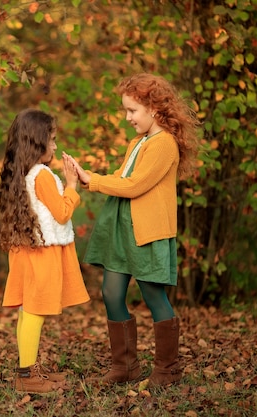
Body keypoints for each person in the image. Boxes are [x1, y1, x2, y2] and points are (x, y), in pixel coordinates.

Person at [63, 73, 200, 388]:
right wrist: (88, 174)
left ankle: (168, 370)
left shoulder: (164, 143)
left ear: (153, 108)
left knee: (153, 295)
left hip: (147, 232)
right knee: (111, 294)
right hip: (122, 231)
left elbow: (136, 185)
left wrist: (91, 180)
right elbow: (123, 176)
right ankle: (125, 368)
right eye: (125, 111)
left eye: (132, 111)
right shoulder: (138, 143)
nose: (127, 118)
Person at [0, 108, 90, 394]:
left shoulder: (20, 172)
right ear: (37, 142)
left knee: (28, 310)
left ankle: (29, 366)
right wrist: (72, 186)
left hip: (27, 250)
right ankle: (26, 375)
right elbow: (62, 213)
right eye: (52, 139)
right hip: (41, 253)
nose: (56, 145)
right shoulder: (42, 176)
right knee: (35, 311)